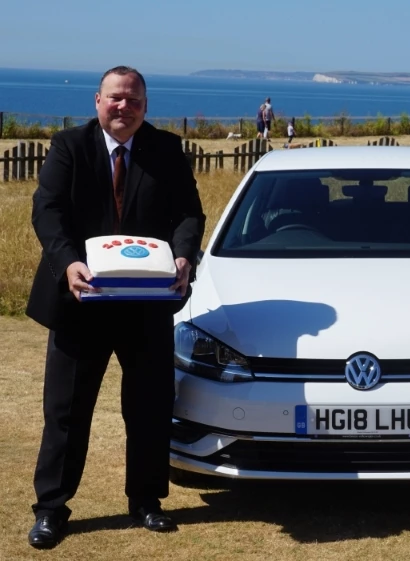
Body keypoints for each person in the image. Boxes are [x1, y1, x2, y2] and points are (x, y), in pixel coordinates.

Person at [25, 66, 205, 550]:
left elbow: (189, 211)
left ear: (146, 106)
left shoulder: (166, 149)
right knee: (66, 410)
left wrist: (185, 254)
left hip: (146, 306)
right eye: (116, 99)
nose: (124, 107)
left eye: (135, 101)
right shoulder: (69, 146)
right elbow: (48, 210)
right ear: (98, 101)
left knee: (149, 407)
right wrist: (67, 264)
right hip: (80, 301)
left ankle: (146, 501)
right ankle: (50, 509)